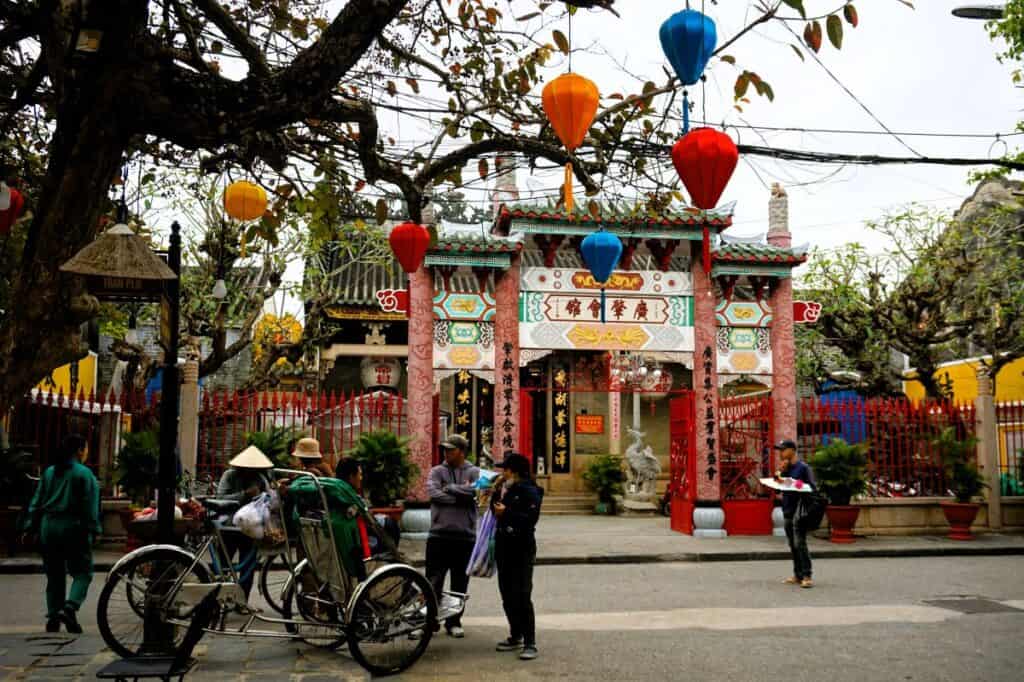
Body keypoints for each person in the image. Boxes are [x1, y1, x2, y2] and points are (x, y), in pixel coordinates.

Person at [21, 434, 101, 633]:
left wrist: (30, 526)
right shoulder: (84, 474)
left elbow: (36, 501)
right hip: (74, 527)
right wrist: (94, 530)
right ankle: (70, 606)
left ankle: (53, 616)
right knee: (83, 572)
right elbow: (91, 507)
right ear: (80, 451)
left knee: (54, 575)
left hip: (48, 527)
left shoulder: (49, 472)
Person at [425, 434, 479, 638]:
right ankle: (430, 620)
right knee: (433, 580)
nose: (446, 453)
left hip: (465, 536)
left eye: (451, 449)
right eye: (445, 449)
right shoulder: (437, 471)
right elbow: (433, 493)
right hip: (439, 535)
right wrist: (461, 496)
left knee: (459, 582)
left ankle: (454, 621)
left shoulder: (473, 471)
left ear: (462, 451)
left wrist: (451, 489)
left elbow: (477, 493)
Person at [491, 452, 543, 661]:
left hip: (522, 548)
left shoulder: (531, 491)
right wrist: (494, 493)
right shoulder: (508, 489)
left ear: (514, 471)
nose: (503, 473)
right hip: (504, 546)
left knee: (522, 595)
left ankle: (530, 642)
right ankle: (515, 635)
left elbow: (531, 519)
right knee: (507, 594)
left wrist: (507, 514)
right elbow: (496, 511)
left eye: (505, 469)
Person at [216, 445, 274, 596]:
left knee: (247, 566)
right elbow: (220, 498)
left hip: (250, 528)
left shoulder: (260, 478)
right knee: (223, 564)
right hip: (228, 526)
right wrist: (244, 494)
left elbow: (270, 501)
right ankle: (219, 598)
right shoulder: (229, 476)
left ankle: (242, 600)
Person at [774, 439, 815, 589]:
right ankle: (797, 574)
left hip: (800, 510)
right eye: (779, 450)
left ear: (792, 450)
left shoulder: (803, 468)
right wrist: (780, 473)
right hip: (787, 509)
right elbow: (777, 489)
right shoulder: (785, 468)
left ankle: (807, 575)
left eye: (783, 450)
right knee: (792, 544)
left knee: (800, 543)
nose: (781, 453)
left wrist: (793, 483)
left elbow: (811, 487)